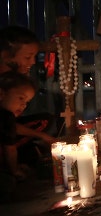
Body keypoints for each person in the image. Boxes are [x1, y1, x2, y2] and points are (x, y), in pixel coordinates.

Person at [0, 26, 57, 149]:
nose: (32, 62)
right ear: (6, 56)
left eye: (34, 57)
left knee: (44, 120)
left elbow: (9, 122)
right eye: (27, 57)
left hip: (7, 127)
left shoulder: (16, 80)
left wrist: (42, 135)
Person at [0, 71, 38, 199]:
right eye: (21, 98)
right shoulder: (6, 117)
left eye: (27, 101)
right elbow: (9, 149)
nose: (23, 105)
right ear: (1, 94)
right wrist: (14, 170)